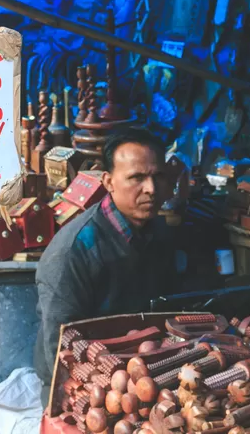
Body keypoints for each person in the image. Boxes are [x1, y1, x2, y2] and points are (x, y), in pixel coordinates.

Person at [33, 128, 176, 383]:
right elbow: (58, 347)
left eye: (158, 176)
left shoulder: (157, 231)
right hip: (82, 381)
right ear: (108, 181)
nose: (151, 189)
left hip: (141, 367)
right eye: (137, 177)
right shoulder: (73, 251)